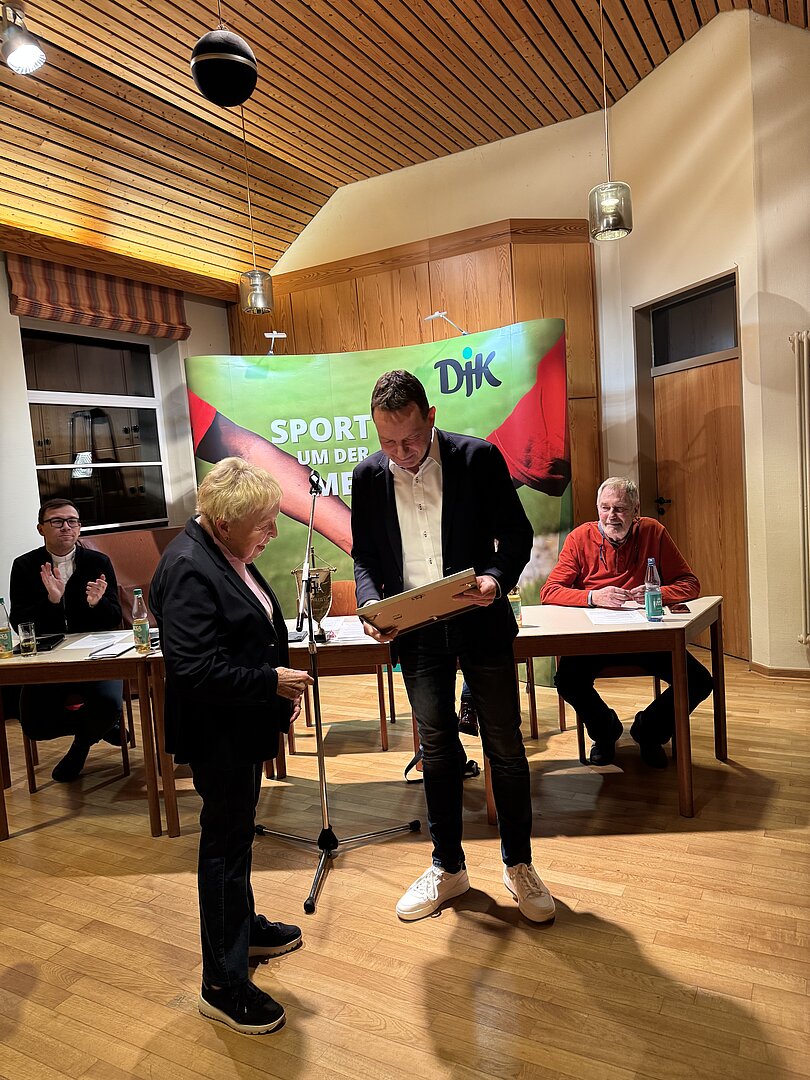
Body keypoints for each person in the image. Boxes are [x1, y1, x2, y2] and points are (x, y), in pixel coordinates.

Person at [351, 370, 555, 924]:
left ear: (432, 417)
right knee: (437, 749)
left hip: (480, 620)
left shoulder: (477, 458)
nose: (401, 453)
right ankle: (448, 867)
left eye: (411, 439)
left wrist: (495, 578)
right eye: (388, 442)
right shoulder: (367, 476)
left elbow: (516, 535)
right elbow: (365, 556)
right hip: (415, 631)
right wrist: (371, 604)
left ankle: (519, 864)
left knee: (504, 746)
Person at [150, 457, 313, 1036]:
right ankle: (221, 983)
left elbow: (245, 632)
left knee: (238, 836)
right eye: (263, 524)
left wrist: (272, 690)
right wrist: (271, 682)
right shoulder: (189, 568)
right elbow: (194, 671)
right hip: (216, 734)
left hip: (237, 727)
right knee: (224, 845)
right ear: (222, 522)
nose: (274, 532)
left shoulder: (223, 550)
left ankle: (241, 928)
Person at [540, 476, 713, 768]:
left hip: (644, 636)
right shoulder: (579, 538)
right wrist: (593, 596)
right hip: (593, 638)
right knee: (567, 681)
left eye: (620, 509)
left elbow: (689, 584)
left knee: (699, 681)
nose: (611, 516)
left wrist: (657, 593)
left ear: (636, 511)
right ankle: (605, 733)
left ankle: (649, 732)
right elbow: (550, 591)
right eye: (605, 508)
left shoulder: (653, 531)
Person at [9, 499, 123, 782]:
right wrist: (51, 600)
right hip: (50, 655)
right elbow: (19, 622)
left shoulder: (98, 562)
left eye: (72, 521)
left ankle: (80, 749)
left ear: (79, 527)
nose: (66, 527)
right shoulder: (24, 566)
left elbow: (113, 617)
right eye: (57, 522)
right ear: (41, 528)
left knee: (108, 703)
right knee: (34, 723)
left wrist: (96, 604)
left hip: (95, 653)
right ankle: (103, 726)